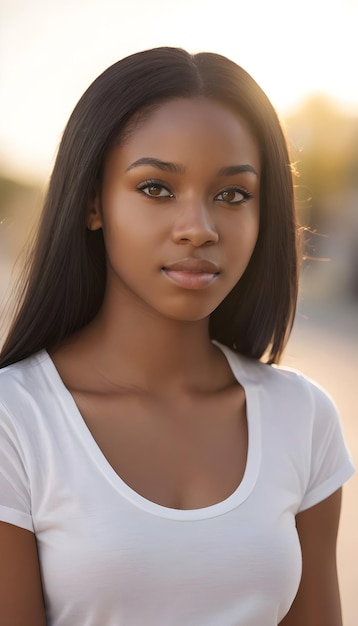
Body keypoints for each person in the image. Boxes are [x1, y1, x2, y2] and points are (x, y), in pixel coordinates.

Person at [0, 47, 354, 626]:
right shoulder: (15, 420)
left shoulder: (303, 417)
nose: (199, 228)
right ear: (94, 202)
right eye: (156, 188)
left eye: (232, 195)